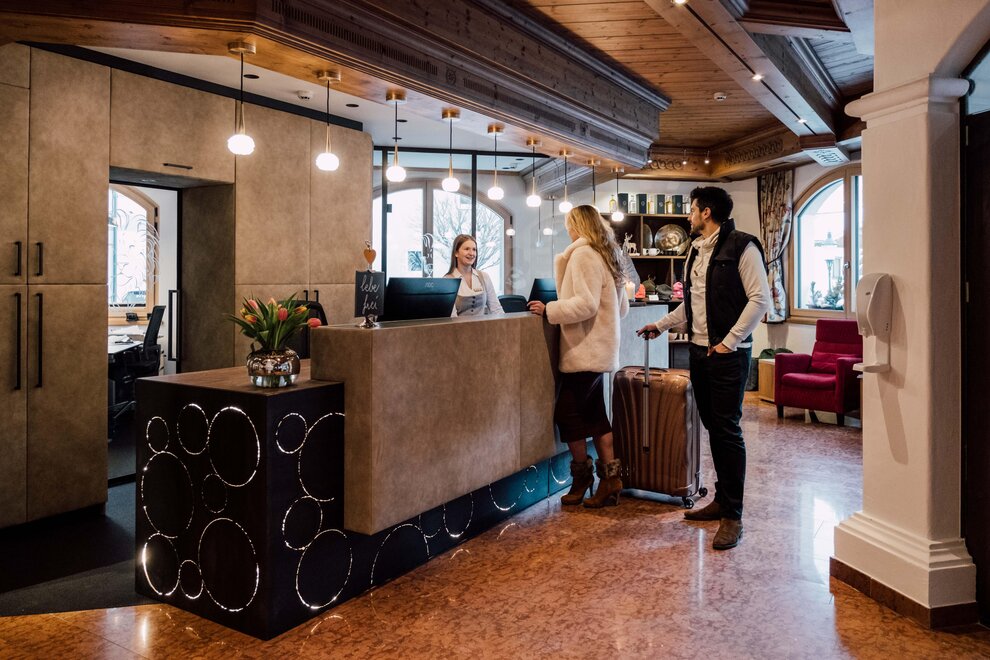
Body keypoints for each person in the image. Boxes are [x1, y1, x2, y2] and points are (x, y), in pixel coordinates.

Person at [637, 186, 770, 550]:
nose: (689, 216)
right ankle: (722, 501)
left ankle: (733, 516)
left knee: (727, 430)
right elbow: (694, 303)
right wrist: (661, 325)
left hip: (728, 355)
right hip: (699, 353)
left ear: (706, 212)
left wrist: (729, 341)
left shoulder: (743, 246)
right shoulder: (695, 249)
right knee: (714, 428)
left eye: (692, 209)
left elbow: (760, 299)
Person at [528, 205, 629, 508]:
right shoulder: (607, 254)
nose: (567, 229)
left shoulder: (583, 254)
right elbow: (621, 309)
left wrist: (550, 309)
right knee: (595, 415)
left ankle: (583, 478)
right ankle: (610, 480)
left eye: (569, 224)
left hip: (584, 349)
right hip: (598, 348)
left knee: (568, 416)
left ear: (578, 225)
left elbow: (585, 304)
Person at [444, 234, 504, 316]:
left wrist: (506, 323)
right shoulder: (447, 281)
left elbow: (496, 309)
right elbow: (452, 317)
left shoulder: (484, 276)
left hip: (483, 324)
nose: (471, 253)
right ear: (456, 253)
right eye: (467, 249)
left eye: (474, 249)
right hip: (458, 325)